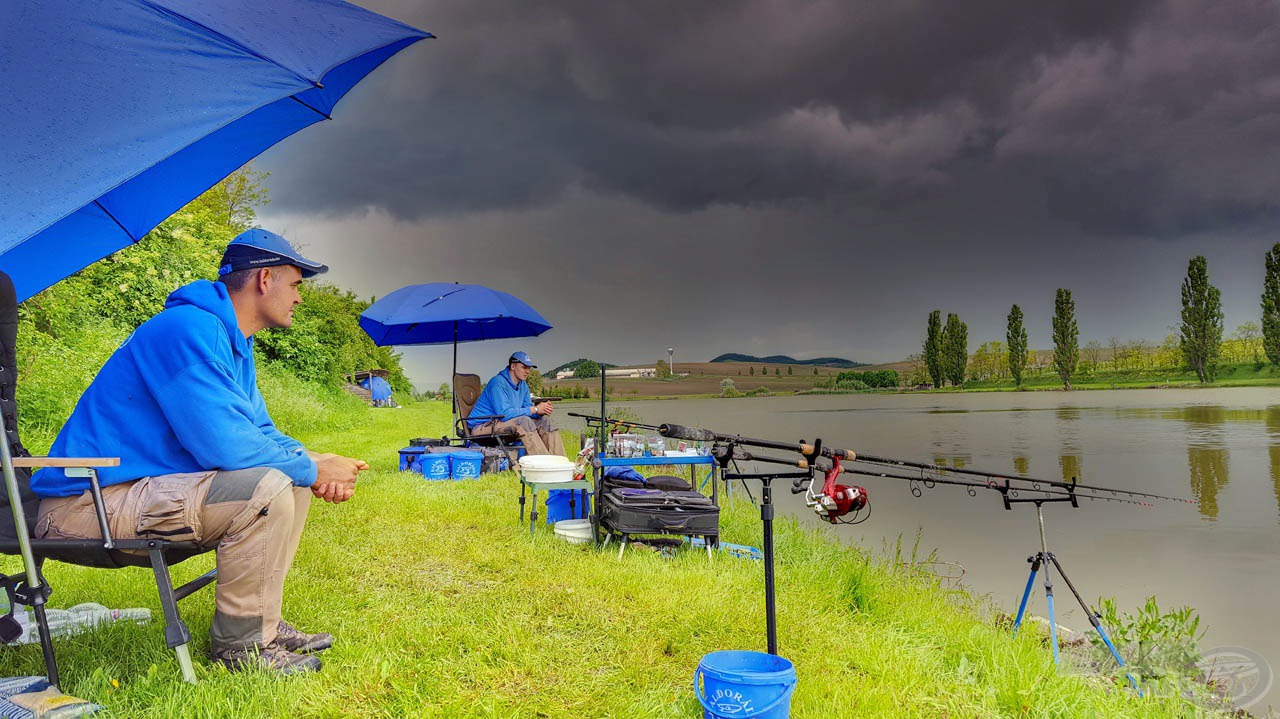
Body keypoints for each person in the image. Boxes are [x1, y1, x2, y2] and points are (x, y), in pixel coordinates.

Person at [30, 228, 368, 675]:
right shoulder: (186, 331)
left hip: (132, 493)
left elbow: (260, 431)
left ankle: (263, 622)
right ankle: (244, 650)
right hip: (82, 505)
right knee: (268, 485)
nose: (299, 298)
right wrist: (312, 465)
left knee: (292, 477)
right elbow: (225, 445)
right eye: (296, 284)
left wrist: (315, 463)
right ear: (265, 279)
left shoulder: (232, 341)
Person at [467, 351, 565, 456]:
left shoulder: (523, 385)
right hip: (482, 427)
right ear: (513, 366)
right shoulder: (497, 383)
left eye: (529, 368)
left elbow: (528, 410)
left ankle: (560, 463)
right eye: (524, 367)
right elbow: (504, 414)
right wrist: (535, 409)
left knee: (545, 421)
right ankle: (542, 466)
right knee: (524, 422)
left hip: (502, 423)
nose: (528, 371)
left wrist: (541, 410)